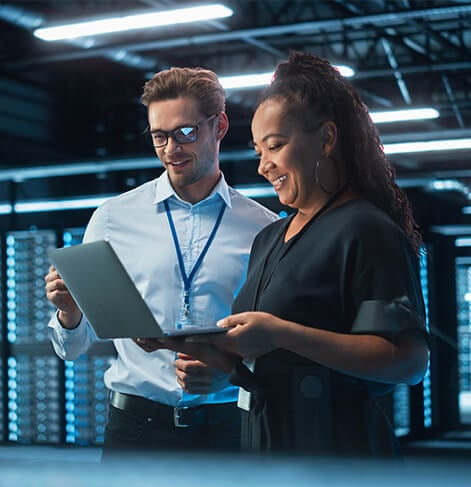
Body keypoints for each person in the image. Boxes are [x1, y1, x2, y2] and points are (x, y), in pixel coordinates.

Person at [163, 52, 430, 458]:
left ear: (326, 138)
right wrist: (224, 372)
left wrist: (278, 332)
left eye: (276, 146)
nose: (263, 167)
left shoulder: (366, 229)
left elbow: (408, 362)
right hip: (267, 455)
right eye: (258, 152)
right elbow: (277, 363)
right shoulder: (269, 238)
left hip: (340, 460)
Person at [44, 66, 277, 457]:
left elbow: (276, 344)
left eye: (185, 132)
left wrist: (229, 371)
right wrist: (70, 314)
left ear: (219, 126)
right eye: (159, 136)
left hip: (229, 433)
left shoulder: (264, 228)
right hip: (134, 432)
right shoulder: (112, 218)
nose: (171, 149)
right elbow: (72, 348)